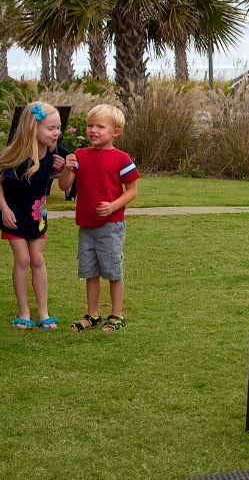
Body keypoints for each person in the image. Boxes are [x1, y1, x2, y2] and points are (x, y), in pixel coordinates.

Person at [59, 104, 139, 333]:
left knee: (113, 271)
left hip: (111, 226)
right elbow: (65, 185)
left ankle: (116, 315)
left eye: (100, 126)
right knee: (90, 272)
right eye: (90, 125)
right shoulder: (80, 156)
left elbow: (132, 190)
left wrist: (113, 206)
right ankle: (93, 315)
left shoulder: (121, 159)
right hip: (86, 226)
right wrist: (67, 168)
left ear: (116, 132)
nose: (93, 130)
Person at [0, 101, 68, 330]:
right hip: (13, 215)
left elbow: (59, 171)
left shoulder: (54, 151)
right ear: (33, 128)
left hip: (36, 214)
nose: (57, 133)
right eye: (51, 128)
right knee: (22, 260)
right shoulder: (17, 154)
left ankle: (43, 313)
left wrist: (61, 168)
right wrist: (4, 208)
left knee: (37, 260)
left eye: (58, 127)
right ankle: (24, 312)